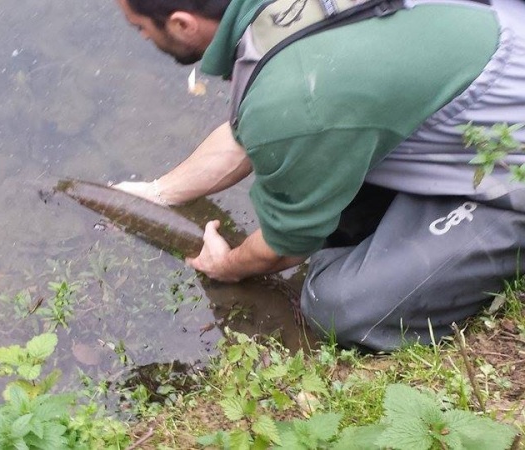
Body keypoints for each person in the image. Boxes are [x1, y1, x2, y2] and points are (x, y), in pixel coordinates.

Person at [113, 0, 525, 350]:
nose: (144, 38)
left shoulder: (293, 94)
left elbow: (284, 248)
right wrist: (159, 192)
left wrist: (229, 266)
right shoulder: (277, 20)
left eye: (139, 29)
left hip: (512, 163)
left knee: (336, 305)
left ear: (182, 23)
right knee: (313, 184)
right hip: (501, 51)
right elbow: (250, 136)